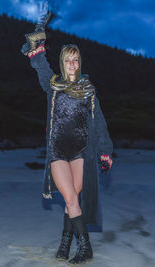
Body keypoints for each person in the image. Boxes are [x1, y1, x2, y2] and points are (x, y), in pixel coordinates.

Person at [21, 13, 113, 265]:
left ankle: (65, 241)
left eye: (75, 60)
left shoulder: (88, 89)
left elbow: (100, 122)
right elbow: (37, 58)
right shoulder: (52, 85)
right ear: (62, 63)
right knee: (71, 198)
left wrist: (105, 151)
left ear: (79, 62)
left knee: (72, 198)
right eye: (67, 60)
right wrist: (40, 27)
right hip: (58, 151)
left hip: (82, 151)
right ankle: (86, 248)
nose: (72, 64)